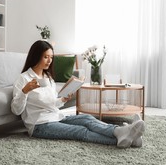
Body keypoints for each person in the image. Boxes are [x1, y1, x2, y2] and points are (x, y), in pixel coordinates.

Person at [11, 40, 145, 148]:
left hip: (56, 116)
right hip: (40, 125)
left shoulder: (48, 78)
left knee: (87, 119)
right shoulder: (23, 79)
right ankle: (122, 139)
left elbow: (51, 103)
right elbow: (16, 110)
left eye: (51, 57)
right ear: (36, 56)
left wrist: (62, 100)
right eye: (46, 57)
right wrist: (25, 91)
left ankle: (120, 132)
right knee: (80, 131)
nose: (49, 61)